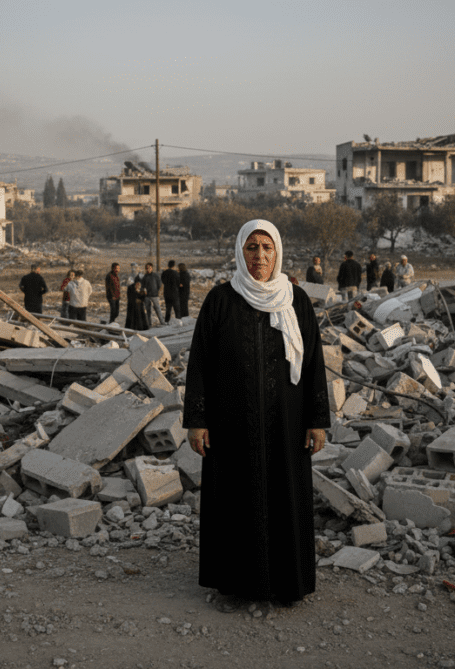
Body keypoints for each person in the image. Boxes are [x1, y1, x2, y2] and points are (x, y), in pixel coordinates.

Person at [183, 219, 329, 609]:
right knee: (234, 502)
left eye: (267, 247)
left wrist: (317, 420)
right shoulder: (220, 300)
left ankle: (287, 584)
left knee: (285, 500)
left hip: (287, 426)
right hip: (232, 427)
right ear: (239, 252)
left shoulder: (296, 300)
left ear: (278, 252)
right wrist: (197, 420)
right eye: (252, 247)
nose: (260, 255)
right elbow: (198, 363)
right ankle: (235, 585)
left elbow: (314, 362)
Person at [140, 262, 164, 327]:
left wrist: (156, 290)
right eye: (147, 268)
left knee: (157, 309)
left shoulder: (155, 276)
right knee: (148, 310)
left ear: (152, 268)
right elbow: (142, 286)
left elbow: (159, 284)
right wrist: (143, 290)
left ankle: (162, 322)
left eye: (149, 268)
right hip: (147, 296)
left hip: (154, 295)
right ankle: (149, 324)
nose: (148, 269)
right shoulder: (144, 277)